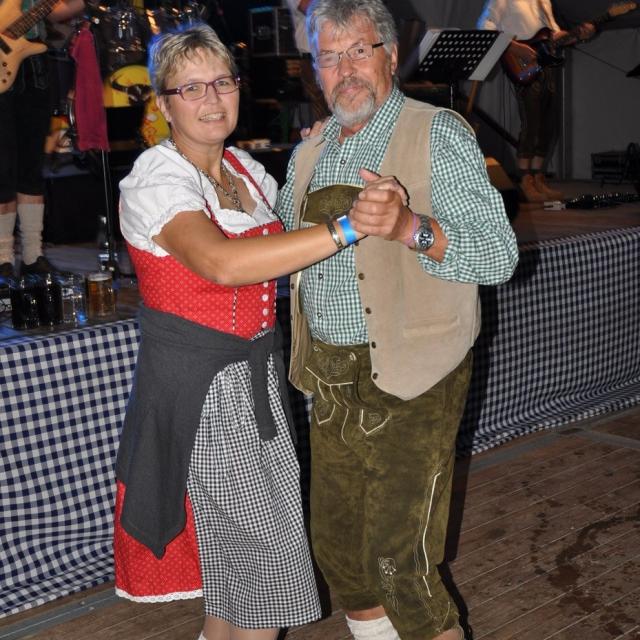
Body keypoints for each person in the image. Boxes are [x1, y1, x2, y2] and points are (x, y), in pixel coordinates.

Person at [113, 23, 385, 640]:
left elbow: (288, 240)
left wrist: (321, 151)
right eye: (191, 88)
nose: (211, 99)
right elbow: (221, 263)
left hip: (255, 377)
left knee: (236, 575)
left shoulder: (246, 171)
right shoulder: (158, 178)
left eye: (222, 82)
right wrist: (347, 229)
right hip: (202, 390)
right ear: (164, 105)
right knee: (269, 570)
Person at [276, 0, 519, 638]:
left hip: (414, 377)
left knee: (399, 566)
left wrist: (412, 227)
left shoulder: (436, 133)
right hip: (330, 379)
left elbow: (499, 255)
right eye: (329, 57)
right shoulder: (309, 151)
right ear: (315, 70)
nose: (345, 69)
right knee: (342, 560)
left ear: (390, 56)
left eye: (359, 51)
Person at [477, 0, 595, 202]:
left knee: (548, 123)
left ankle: (538, 178)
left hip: (546, 63)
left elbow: (554, 36)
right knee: (531, 122)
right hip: (521, 62)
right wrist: (514, 47)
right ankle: (525, 180)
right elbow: (484, 27)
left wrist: (577, 35)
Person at [0, 0, 84, 280]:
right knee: (3, 168)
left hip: (34, 66)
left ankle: (33, 256)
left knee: (32, 167)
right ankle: (2, 259)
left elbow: (56, 11)